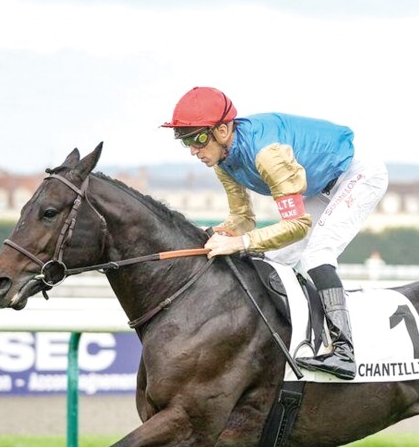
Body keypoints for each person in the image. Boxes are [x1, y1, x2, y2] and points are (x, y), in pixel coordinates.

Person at [162, 87, 389, 379]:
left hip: (356, 176)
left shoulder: (266, 153)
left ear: (222, 130)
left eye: (198, 139)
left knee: (316, 256)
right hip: (320, 188)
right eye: (186, 142)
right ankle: (290, 339)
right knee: (273, 258)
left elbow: (296, 225)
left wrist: (240, 243)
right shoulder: (222, 162)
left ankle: (345, 351)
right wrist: (215, 234)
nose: (194, 150)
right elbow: (243, 219)